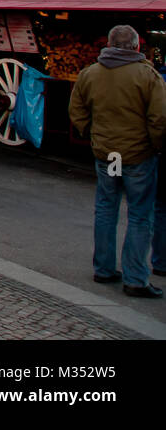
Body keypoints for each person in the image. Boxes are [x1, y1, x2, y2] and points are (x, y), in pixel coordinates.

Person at [68, 25, 166, 298]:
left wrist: (90, 133)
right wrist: (155, 145)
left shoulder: (91, 73)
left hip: (107, 154)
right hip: (138, 156)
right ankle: (135, 278)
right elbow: (159, 117)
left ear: (109, 44)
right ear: (136, 46)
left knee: (106, 208)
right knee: (139, 215)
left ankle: (104, 268)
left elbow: (76, 109)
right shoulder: (148, 76)